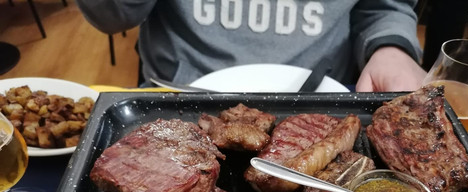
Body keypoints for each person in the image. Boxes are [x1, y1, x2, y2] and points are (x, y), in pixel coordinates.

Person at [75, 0, 426, 92]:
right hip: (178, 93)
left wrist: (390, 47)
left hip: (321, 94)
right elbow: (110, 15)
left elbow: (383, 6)